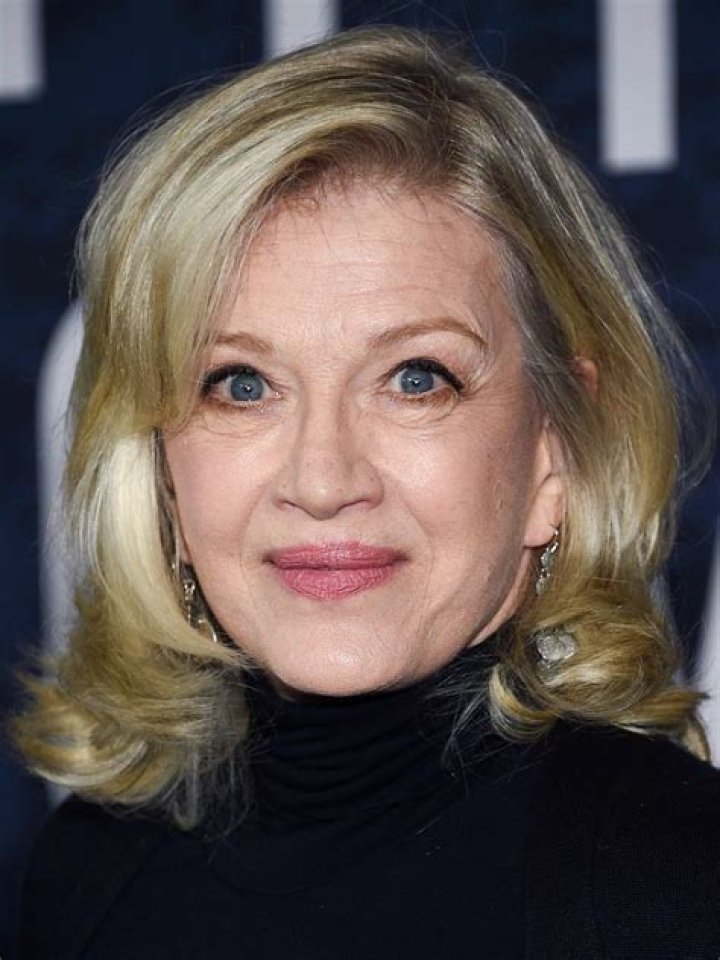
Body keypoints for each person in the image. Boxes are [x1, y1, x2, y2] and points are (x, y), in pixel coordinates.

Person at [12, 26, 720, 960]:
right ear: (160, 464)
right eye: (241, 385)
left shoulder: (674, 886)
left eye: (416, 380)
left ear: (555, 450)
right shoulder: (86, 874)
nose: (322, 480)